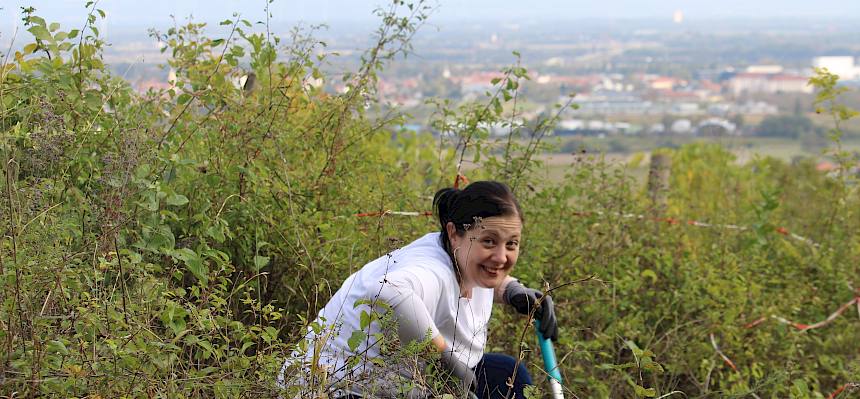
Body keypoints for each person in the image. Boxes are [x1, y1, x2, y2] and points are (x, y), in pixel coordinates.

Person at [281, 181, 558, 398]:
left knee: (506, 375)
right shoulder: (429, 268)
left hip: (405, 382)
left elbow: (487, 276)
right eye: (488, 241)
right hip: (338, 388)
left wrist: (513, 290)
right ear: (454, 233)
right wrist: (441, 357)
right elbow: (385, 291)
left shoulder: (465, 257)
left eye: (511, 244)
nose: (501, 257)